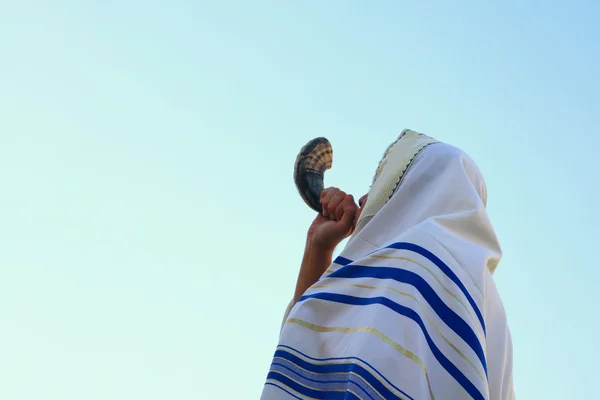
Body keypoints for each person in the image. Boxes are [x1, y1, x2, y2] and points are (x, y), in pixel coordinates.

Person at [261, 130, 514, 400]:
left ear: (411, 187)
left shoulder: (415, 262)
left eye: (381, 182)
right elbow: (305, 350)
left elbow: (307, 369)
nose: (361, 200)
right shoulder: (485, 303)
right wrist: (318, 245)